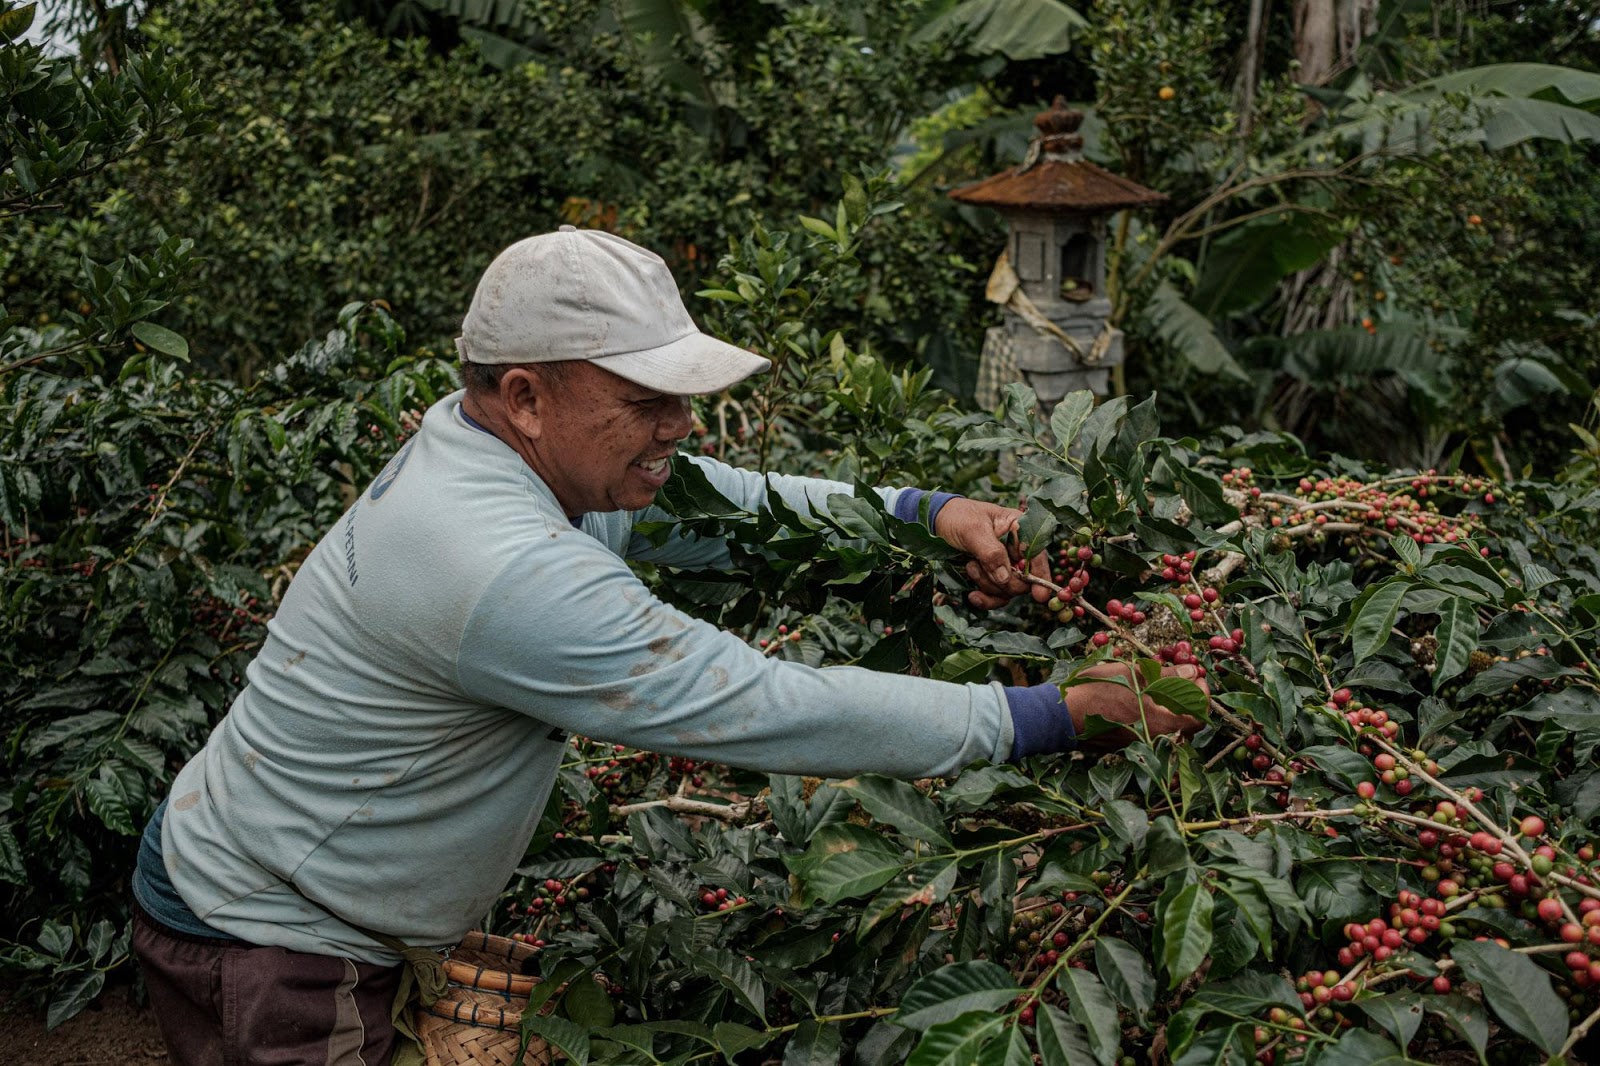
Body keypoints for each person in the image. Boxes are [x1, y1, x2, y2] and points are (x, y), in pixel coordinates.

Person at [130, 227, 1202, 1065]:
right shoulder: (502, 566)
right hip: (274, 938)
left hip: (273, 876)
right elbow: (762, 702)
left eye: (683, 397)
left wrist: (921, 512)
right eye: (647, 400)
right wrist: (1052, 712)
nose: (679, 424)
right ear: (526, 396)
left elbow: (723, 505)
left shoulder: (499, 449)